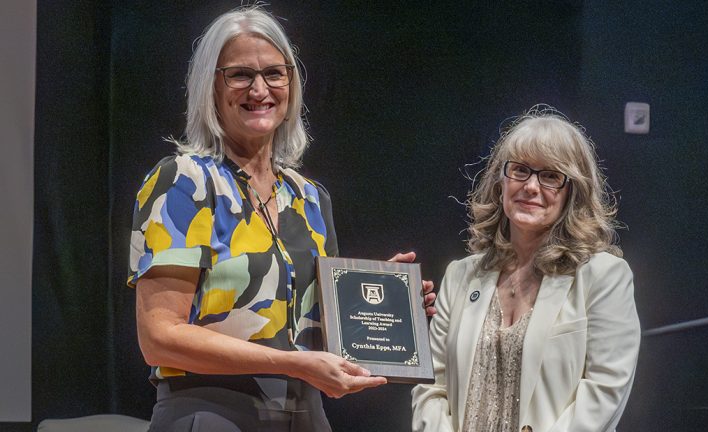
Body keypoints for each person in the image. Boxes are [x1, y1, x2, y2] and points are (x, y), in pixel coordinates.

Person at [127, 5, 434, 431]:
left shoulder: (308, 198)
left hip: (307, 416)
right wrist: (293, 364)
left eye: (274, 73)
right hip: (211, 413)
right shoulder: (184, 182)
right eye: (239, 75)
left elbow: (314, 336)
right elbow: (160, 339)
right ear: (210, 88)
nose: (259, 89)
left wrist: (380, 299)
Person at [411, 105, 641, 432]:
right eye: (520, 170)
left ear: (571, 192)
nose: (531, 187)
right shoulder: (461, 275)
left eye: (550, 176)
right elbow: (431, 388)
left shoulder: (604, 277)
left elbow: (604, 393)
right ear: (500, 182)